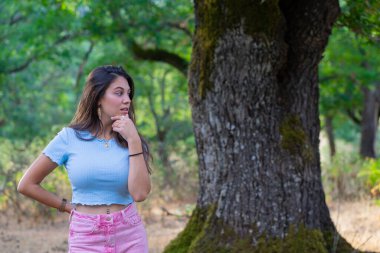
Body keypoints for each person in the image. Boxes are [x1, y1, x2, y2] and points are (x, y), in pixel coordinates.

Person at [17, 65, 151, 253]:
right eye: (119, 93)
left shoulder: (133, 139)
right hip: (86, 236)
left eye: (129, 94)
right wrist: (66, 206)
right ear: (98, 97)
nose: (127, 100)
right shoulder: (69, 137)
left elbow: (140, 194)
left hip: (129, 233)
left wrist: (134, 140)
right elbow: (27, 184)